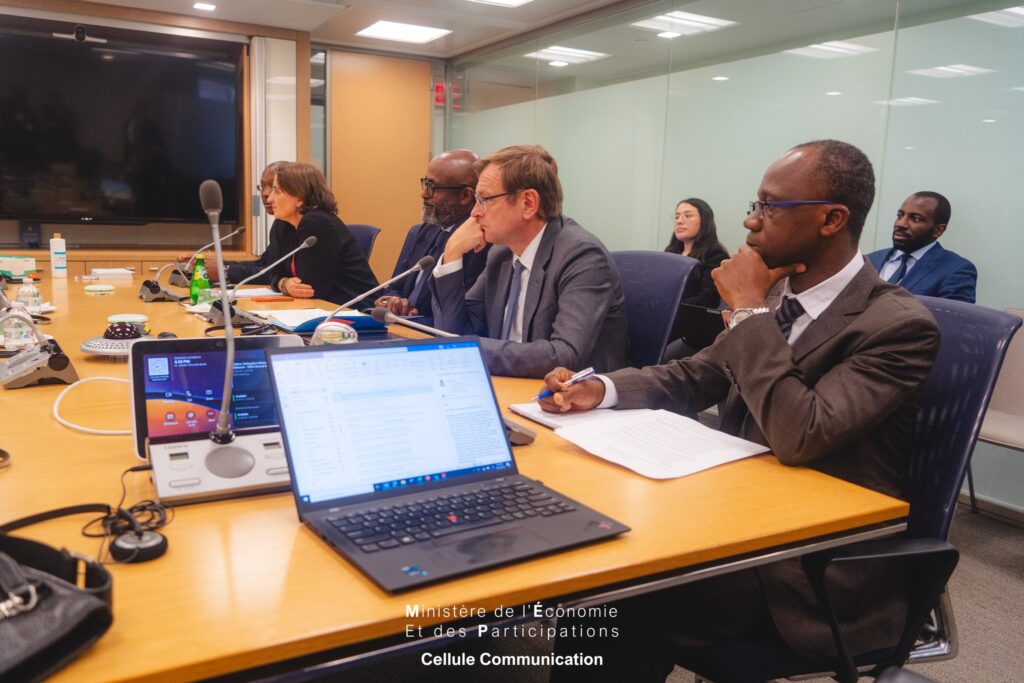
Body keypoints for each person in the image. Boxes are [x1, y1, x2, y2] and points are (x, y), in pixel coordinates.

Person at [541, 140, 941, 681]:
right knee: (599, 535)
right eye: (756, 205)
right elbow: (697, 374)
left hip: (807, 568)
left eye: (770, 207)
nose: (751, 223)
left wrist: (748, 311)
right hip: (734, 514)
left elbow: (801, 432)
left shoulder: (896, 326)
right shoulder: (779, 296)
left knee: (617, 589)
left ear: (832, 219)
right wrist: (601, 388)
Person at [429, 144, 629, 378]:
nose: (474, 212)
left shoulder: (582, 256)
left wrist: (467, 349)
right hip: (513, 384)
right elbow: (454, 331)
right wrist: (452, 253)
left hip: (571, 395)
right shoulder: (501, 254)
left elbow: (564, 355)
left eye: (484, 200)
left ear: (528, 203)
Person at [374, 150, 490, 325]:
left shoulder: (481, 244)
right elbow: (395, 286)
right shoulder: (423, 231)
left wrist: (413, 317)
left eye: (431, 187)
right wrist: (394, 301)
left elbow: (463, 317)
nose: (423, 194)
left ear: (465, 196)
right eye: (424, 183)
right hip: (401, 326)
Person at [268, 162, 378, 307]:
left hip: (355, 309)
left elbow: (311, 289)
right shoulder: (284, 225)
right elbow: (273, 272)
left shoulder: (317, 223)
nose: (270, 199)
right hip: (323, 308)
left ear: (299, 198)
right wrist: (284, 284)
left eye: (277, 192)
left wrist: (284, 283)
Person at [178, 161, 289, 285]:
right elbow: (264, 264)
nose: (265, 193)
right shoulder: (280, 224)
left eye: (273, 187)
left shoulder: (300, 226)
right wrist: (217, 264)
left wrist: (224, 271)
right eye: (262, 186)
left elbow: (274, 273)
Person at [867, 191, 976, 303]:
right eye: (900, 215)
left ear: (938, 230)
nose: (901, 224)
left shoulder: (956, 270)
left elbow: (953, 315)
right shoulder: (869, 260)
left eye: (916, 219)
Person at [664, 197, 729, 308]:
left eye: (688, 215)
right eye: (677, 216)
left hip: (691, 316)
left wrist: (668, 302)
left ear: (704, 221)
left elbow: (707, 300)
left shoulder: (716, 255)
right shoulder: (670, 252)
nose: (679, 221)